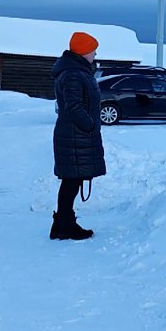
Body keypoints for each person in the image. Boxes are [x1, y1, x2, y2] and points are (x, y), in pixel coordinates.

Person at [50, 32, 106, 240]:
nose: (95, 53)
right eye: (92, 49)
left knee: (71, 181)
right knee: (71, 181)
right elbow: (74, 106)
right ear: (83, 51)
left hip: (76, 135)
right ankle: (65, 225)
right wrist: (90, 126)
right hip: (75, 135)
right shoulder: (74, 74)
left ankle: (63, 223)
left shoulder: (77, 71)